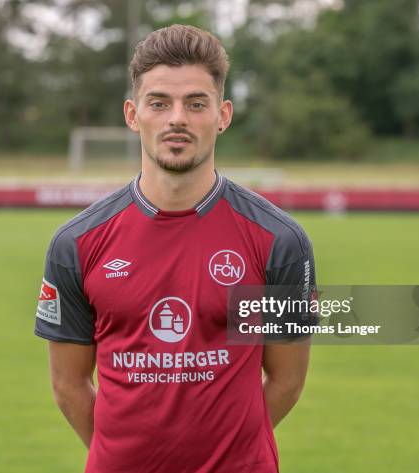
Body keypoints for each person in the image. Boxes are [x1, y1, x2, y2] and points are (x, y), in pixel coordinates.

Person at [34, 24, 315, 473]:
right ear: (133, 114)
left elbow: (286, 379)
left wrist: (228, 450)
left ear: (223, 115)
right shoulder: (77, 243)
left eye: (196, 103)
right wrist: (126, 456)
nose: (177, 118)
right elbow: (68, 385)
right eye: (159, 103)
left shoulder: (279, 241)